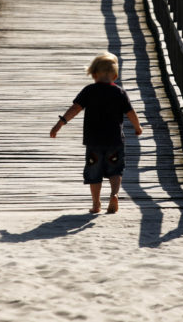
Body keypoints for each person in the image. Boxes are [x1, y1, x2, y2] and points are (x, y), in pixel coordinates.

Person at [50, 52, 143, 214]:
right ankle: (114, 194)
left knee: (94, 173)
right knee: (115, 170)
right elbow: (130, 113)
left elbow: (75, 109)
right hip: (115, 141)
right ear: (115, 75)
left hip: (94, 142)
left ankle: (96, 204)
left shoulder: (89, 91)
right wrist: (137, 127)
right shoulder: (119, 93)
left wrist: (60, 123)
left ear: (94, 74)